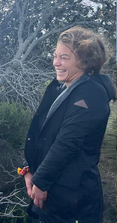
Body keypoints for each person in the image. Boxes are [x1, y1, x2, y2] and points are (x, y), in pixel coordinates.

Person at [20, 26, 116, 223]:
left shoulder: (92, 94)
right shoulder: (59, 87)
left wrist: (41, 182)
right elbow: (39, 132)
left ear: (84, 59)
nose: (56, 62)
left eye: (64, 57)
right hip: (51, 192)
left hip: (73, 200)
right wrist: (26, 168)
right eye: (55, 56)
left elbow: (66, 144)